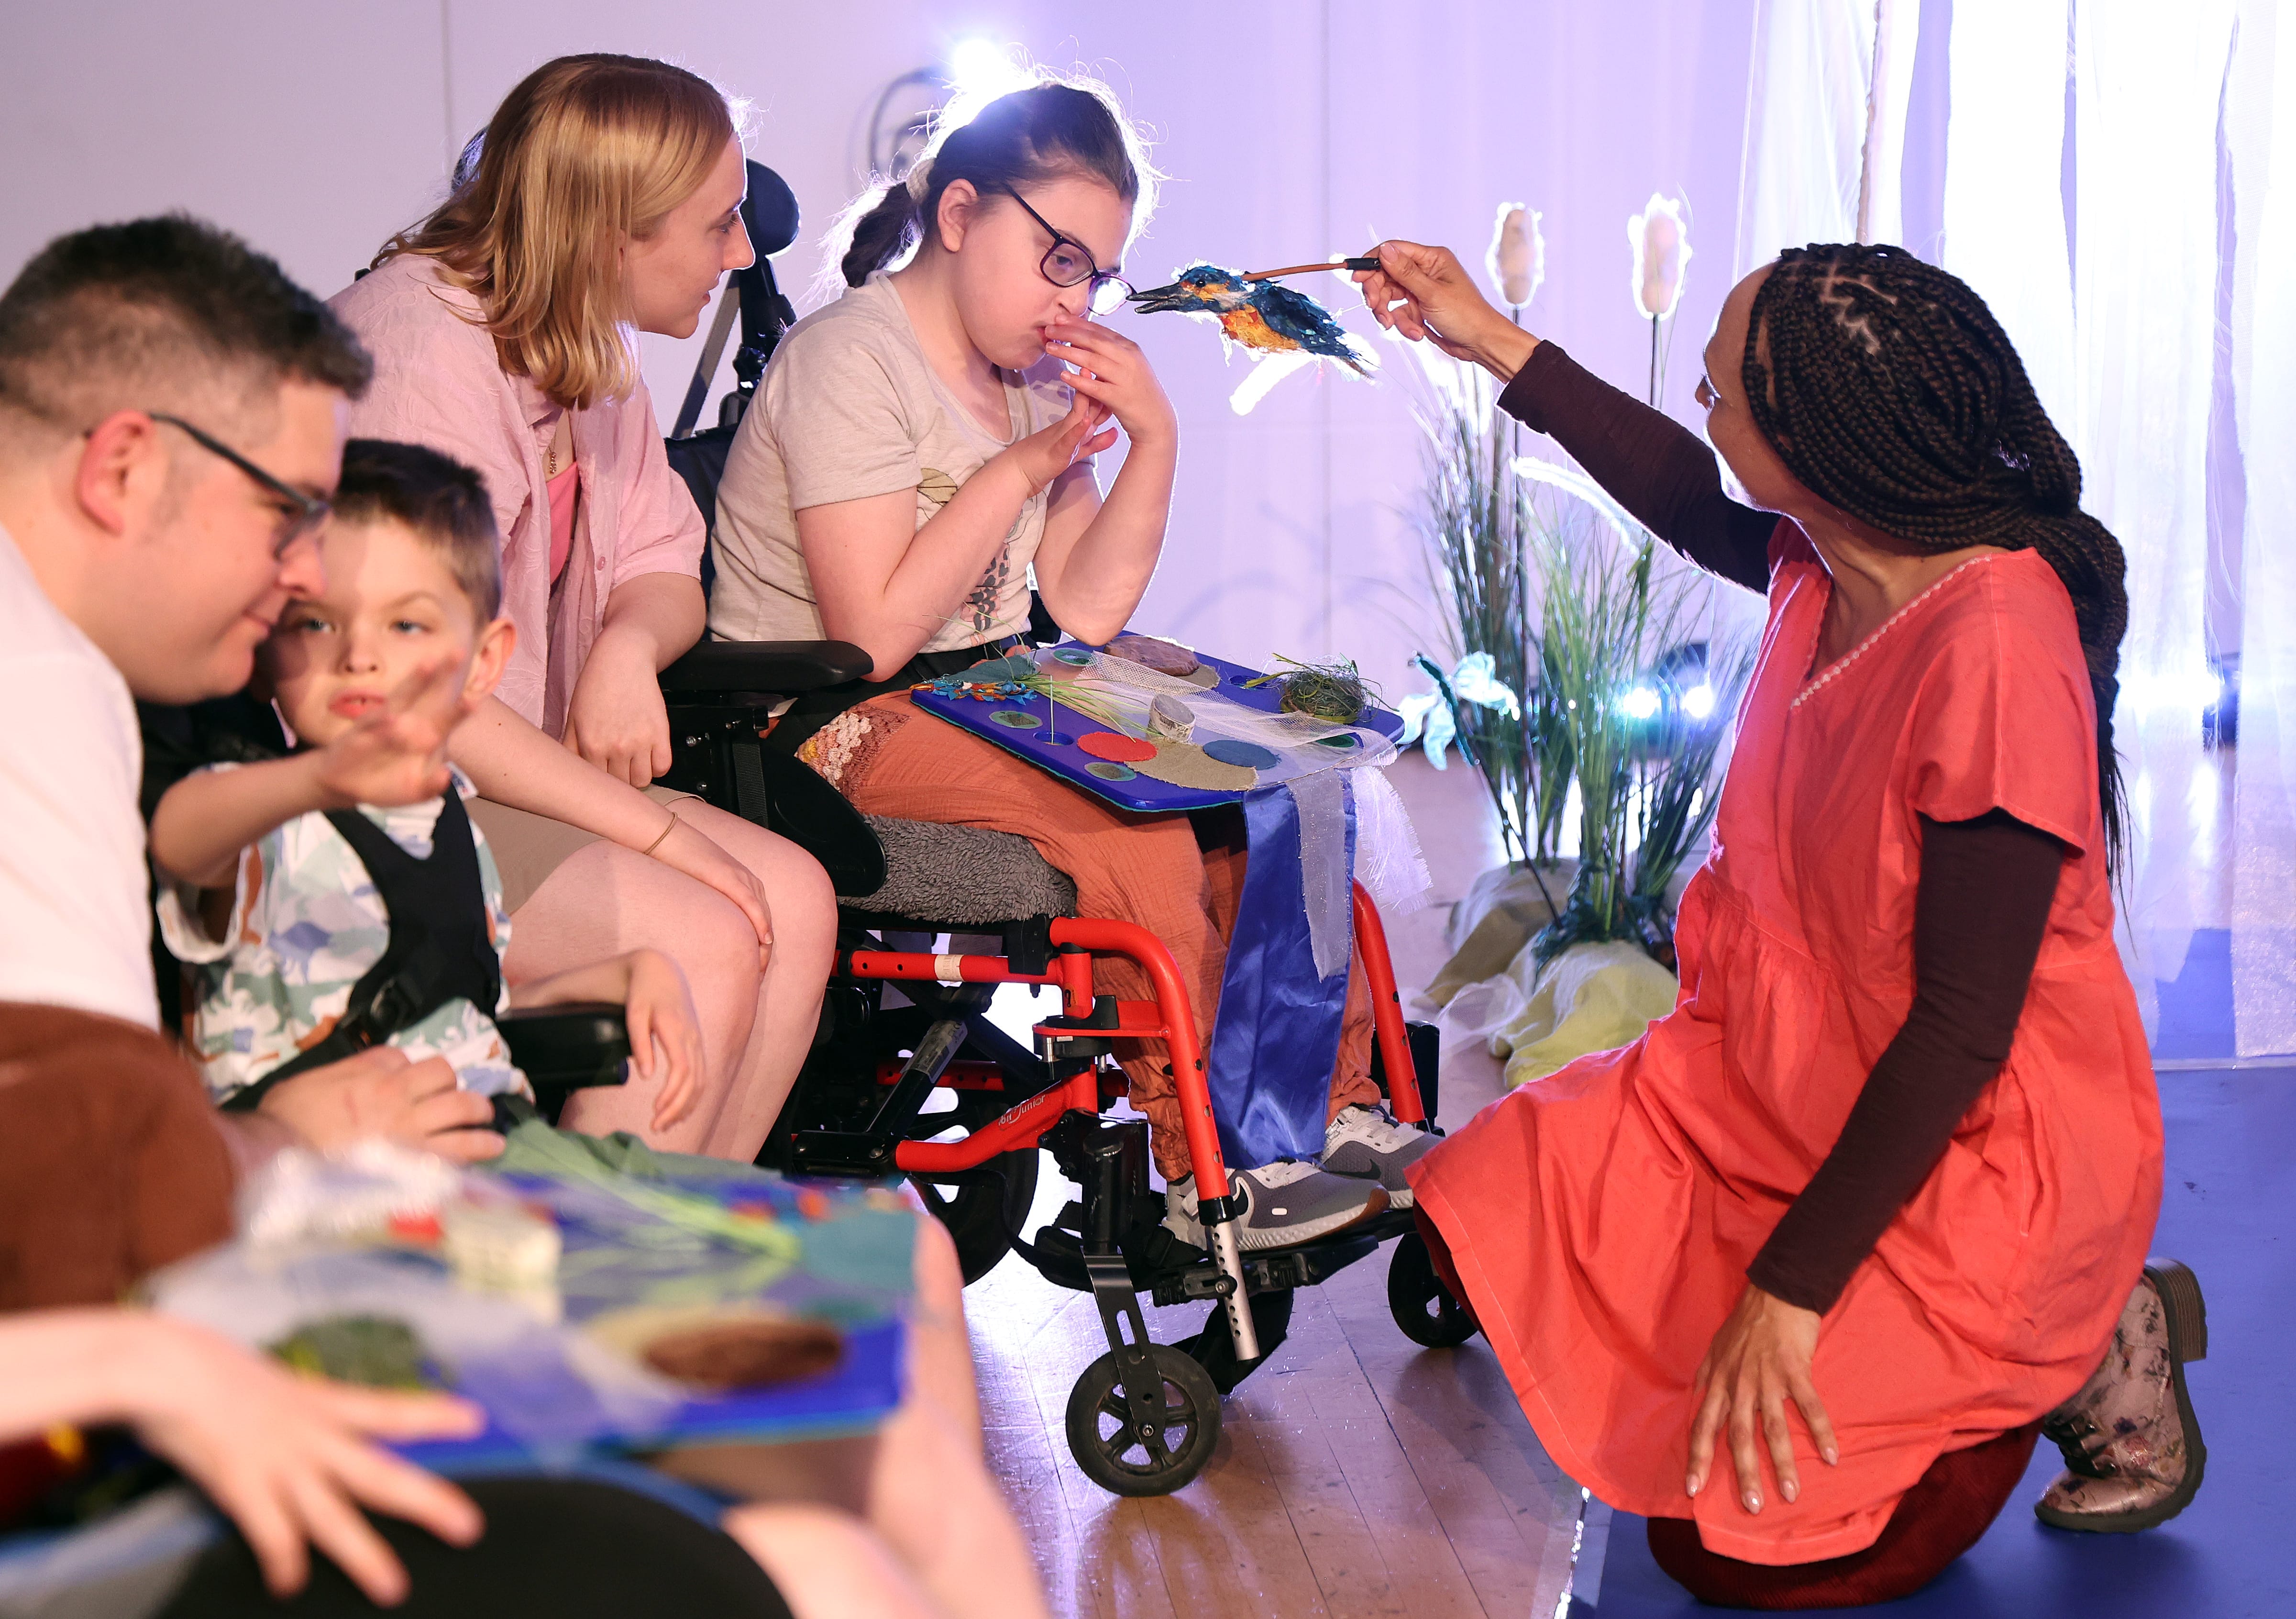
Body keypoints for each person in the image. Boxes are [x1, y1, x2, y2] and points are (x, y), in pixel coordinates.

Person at [0, 216, 1045, 1619]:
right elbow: (100, 1185)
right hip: (243, 1315)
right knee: (834, 1548)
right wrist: (265, 1154)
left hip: (278, 1257)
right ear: (125, 468)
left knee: (886, 1395)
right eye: (282, 521)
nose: (298, 580)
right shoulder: (65, 703)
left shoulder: (101, 684)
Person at [1353, 238, 2200, 1608]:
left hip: (1971, 1143)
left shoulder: (1993, 646)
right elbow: (1693, 501)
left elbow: (1964, 1029)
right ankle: (1967, 1335)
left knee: (1742, 1561)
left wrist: (1789, 1291)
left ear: (1805, 445)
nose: (1701, 399)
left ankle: (2079, 1328)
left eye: (1723, 386)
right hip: (1767, 1080)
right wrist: (1491, 337)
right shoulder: (1829, 554)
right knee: (1477, 1212)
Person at [708, 78, 1431, 1248]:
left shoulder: (1033, 373)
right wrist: (1020, 469)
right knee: (1135, 829)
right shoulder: (852, 360)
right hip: (837, 721)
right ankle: (1209, 1172)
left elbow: (1082, 606)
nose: (1075, 299)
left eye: (1092, 273)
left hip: (986, 688)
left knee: (1278, 774)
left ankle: (1327, 1109)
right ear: (957, 215)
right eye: (1059, 258)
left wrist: (1155, 437)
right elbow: (874, 632)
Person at [329, 54, 836, 1160]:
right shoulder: (417, 359)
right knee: (705, 932)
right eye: (719, 224)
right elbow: (410, 700)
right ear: (614, 233)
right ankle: (596, 1312)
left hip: (496, 777)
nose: (742, 253)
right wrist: (661, 833)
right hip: (374, 804)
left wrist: (622, 652)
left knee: (794, 901)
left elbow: (665, 564)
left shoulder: (582, 342)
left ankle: (686, 1268)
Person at [148, 440, 705, 1129]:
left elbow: (459, 1023)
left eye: (405, 624)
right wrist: (318, 780)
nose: (359, 657)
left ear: (482, 662)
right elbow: (177, 839)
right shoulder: (261, 816)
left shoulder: (447, 823)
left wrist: (617, 977)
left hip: (467, 1146)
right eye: (316, 624)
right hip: (316, 1178)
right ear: (269, 645)